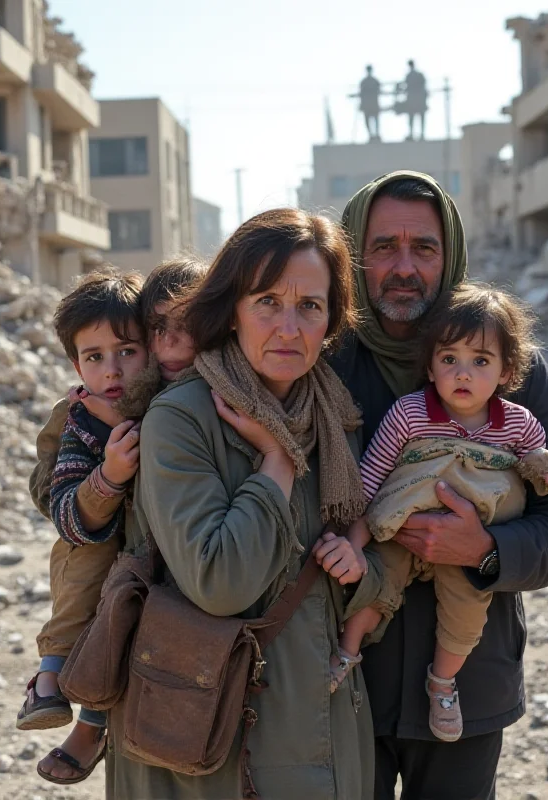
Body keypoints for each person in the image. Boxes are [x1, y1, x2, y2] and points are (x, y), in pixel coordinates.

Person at [105, 208, 385, 800]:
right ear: (231, 310)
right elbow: (220, 580)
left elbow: (363, 571)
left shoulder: (336, 419)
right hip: (211, 747)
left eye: (310, 305)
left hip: (326, 731)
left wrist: (359, 574)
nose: (290, 326)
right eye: (267, 301)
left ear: (332, 319)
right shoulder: (181, 418)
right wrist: (277, 466)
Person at [326, 170, 548, 800]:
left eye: (425, 248)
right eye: (383, 247)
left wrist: (487, 550)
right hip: (342, 685)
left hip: (467, 685)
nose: (404, 267)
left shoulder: (508, 363)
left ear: (452, 256)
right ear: (353, 254)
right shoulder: (322, 360)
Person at [22, 257, 206, 784]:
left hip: (166, 560)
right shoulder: (79, 418)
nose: (113, 370)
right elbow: (62, 508)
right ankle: (53, 673)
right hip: (97, 540)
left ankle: (90, 726)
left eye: (128, 352)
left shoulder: (176, 398)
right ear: (78, 367)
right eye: (95, 357)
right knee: (86, 571)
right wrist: (109, 475)